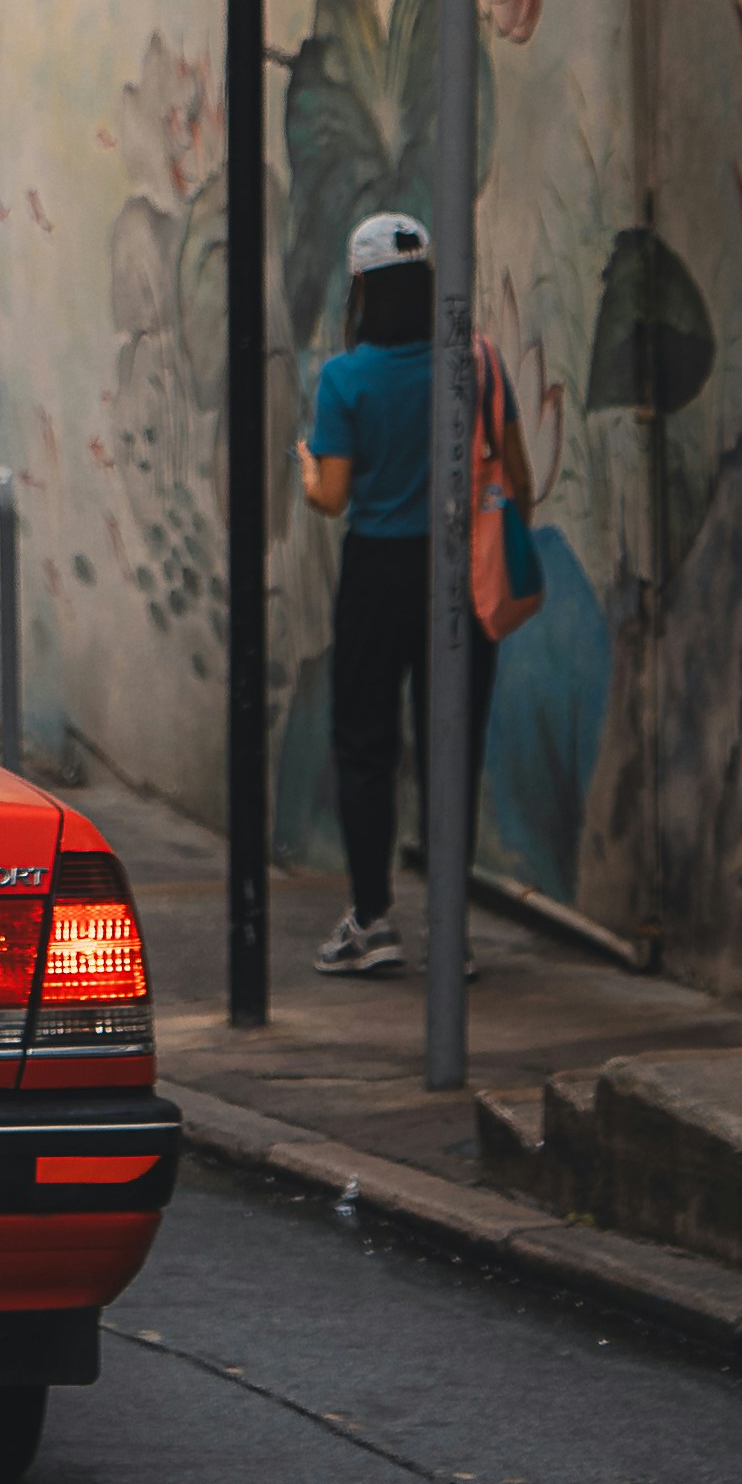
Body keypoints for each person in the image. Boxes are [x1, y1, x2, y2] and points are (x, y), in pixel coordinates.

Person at [300, 208, 529, 980]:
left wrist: (308, 470)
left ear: (361, 289)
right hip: (459, 573)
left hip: (377, 572)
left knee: (365, 744)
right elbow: (518, 477)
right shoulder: (476, 364)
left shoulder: (345, 377)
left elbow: (332, 497)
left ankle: (371, 922)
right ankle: (449, 930)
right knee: (450, 745)